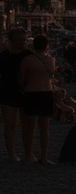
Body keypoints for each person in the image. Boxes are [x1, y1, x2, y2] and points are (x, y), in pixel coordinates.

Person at [18, 34, 56, 164]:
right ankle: (43, 156)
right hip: (46, 92)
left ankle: (28, 155)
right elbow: (52, 74)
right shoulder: (50, 60)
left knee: (30, 126)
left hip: (31, 92)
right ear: (47, 45)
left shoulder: (27, 60)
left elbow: (21, 80)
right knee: (44, 127)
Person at [0, 28, 31, 163]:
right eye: (20, 39)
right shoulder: (3, 56)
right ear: (12, 41)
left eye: (24, 39)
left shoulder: (29, 55)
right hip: (8, 93)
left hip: (26, 93)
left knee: (28, 125)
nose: (23, 42)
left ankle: (28, 153)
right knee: (10, 125)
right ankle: (11, 154)